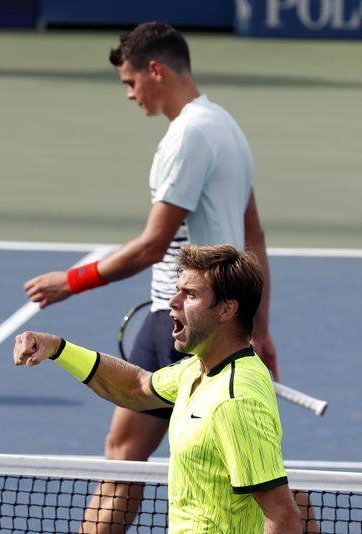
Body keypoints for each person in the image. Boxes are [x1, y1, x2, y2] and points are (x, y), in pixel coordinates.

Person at [24, 21, 278, 532]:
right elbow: (255, 239)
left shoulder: (186, 136)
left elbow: (152, 245)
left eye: (130, 81)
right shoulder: (229, 127)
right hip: (226, 316)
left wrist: (70, 281)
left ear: (155, 70)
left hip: (180, 315)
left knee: (123, 460)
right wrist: (259, 327)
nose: (129, 93)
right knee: (256, 473)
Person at [15, 244, 301, 534]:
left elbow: (283, 516)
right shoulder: (198, 370)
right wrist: (57, 348)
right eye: (178, 290)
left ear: (227, 309)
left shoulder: (233, 400)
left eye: (190, 294)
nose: (173, 301)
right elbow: (136, 387)